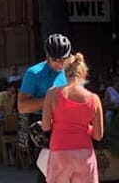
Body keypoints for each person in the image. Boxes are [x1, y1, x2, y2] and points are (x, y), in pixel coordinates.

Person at [41, 53, 104, 183]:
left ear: (64, 72)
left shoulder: (52, 94)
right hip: (84, 152)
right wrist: (86, 128)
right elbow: (98, 135)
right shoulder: (94, 99)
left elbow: (45, 126)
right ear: (84, 74)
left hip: (59, 150)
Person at [18, 33, 71, 183]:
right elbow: (22, 106)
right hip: (43, 124)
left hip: (68, 123)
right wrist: (49, 99)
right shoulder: (34, 73)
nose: (60, 64)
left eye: (63, 59)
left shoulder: (71, 71)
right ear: (47, 56)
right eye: (55, 60)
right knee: (47, 171)